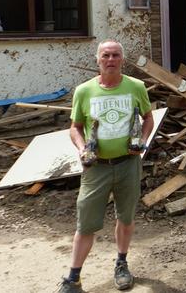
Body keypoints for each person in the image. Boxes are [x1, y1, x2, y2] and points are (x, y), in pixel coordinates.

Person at [58, 40, 154, 293]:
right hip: (96, 168)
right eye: (106, 55)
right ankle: (73, 279)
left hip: (128, 164)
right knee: (85, 223)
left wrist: (142, 141)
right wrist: (81, 149)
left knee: (125, 217)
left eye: (115, 55)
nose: (110, 59)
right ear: (97, 60)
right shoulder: (84, 91)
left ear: (122, 59)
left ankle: (121, 264)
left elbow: (148, 118)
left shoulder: (136, 87)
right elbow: (75, 128)